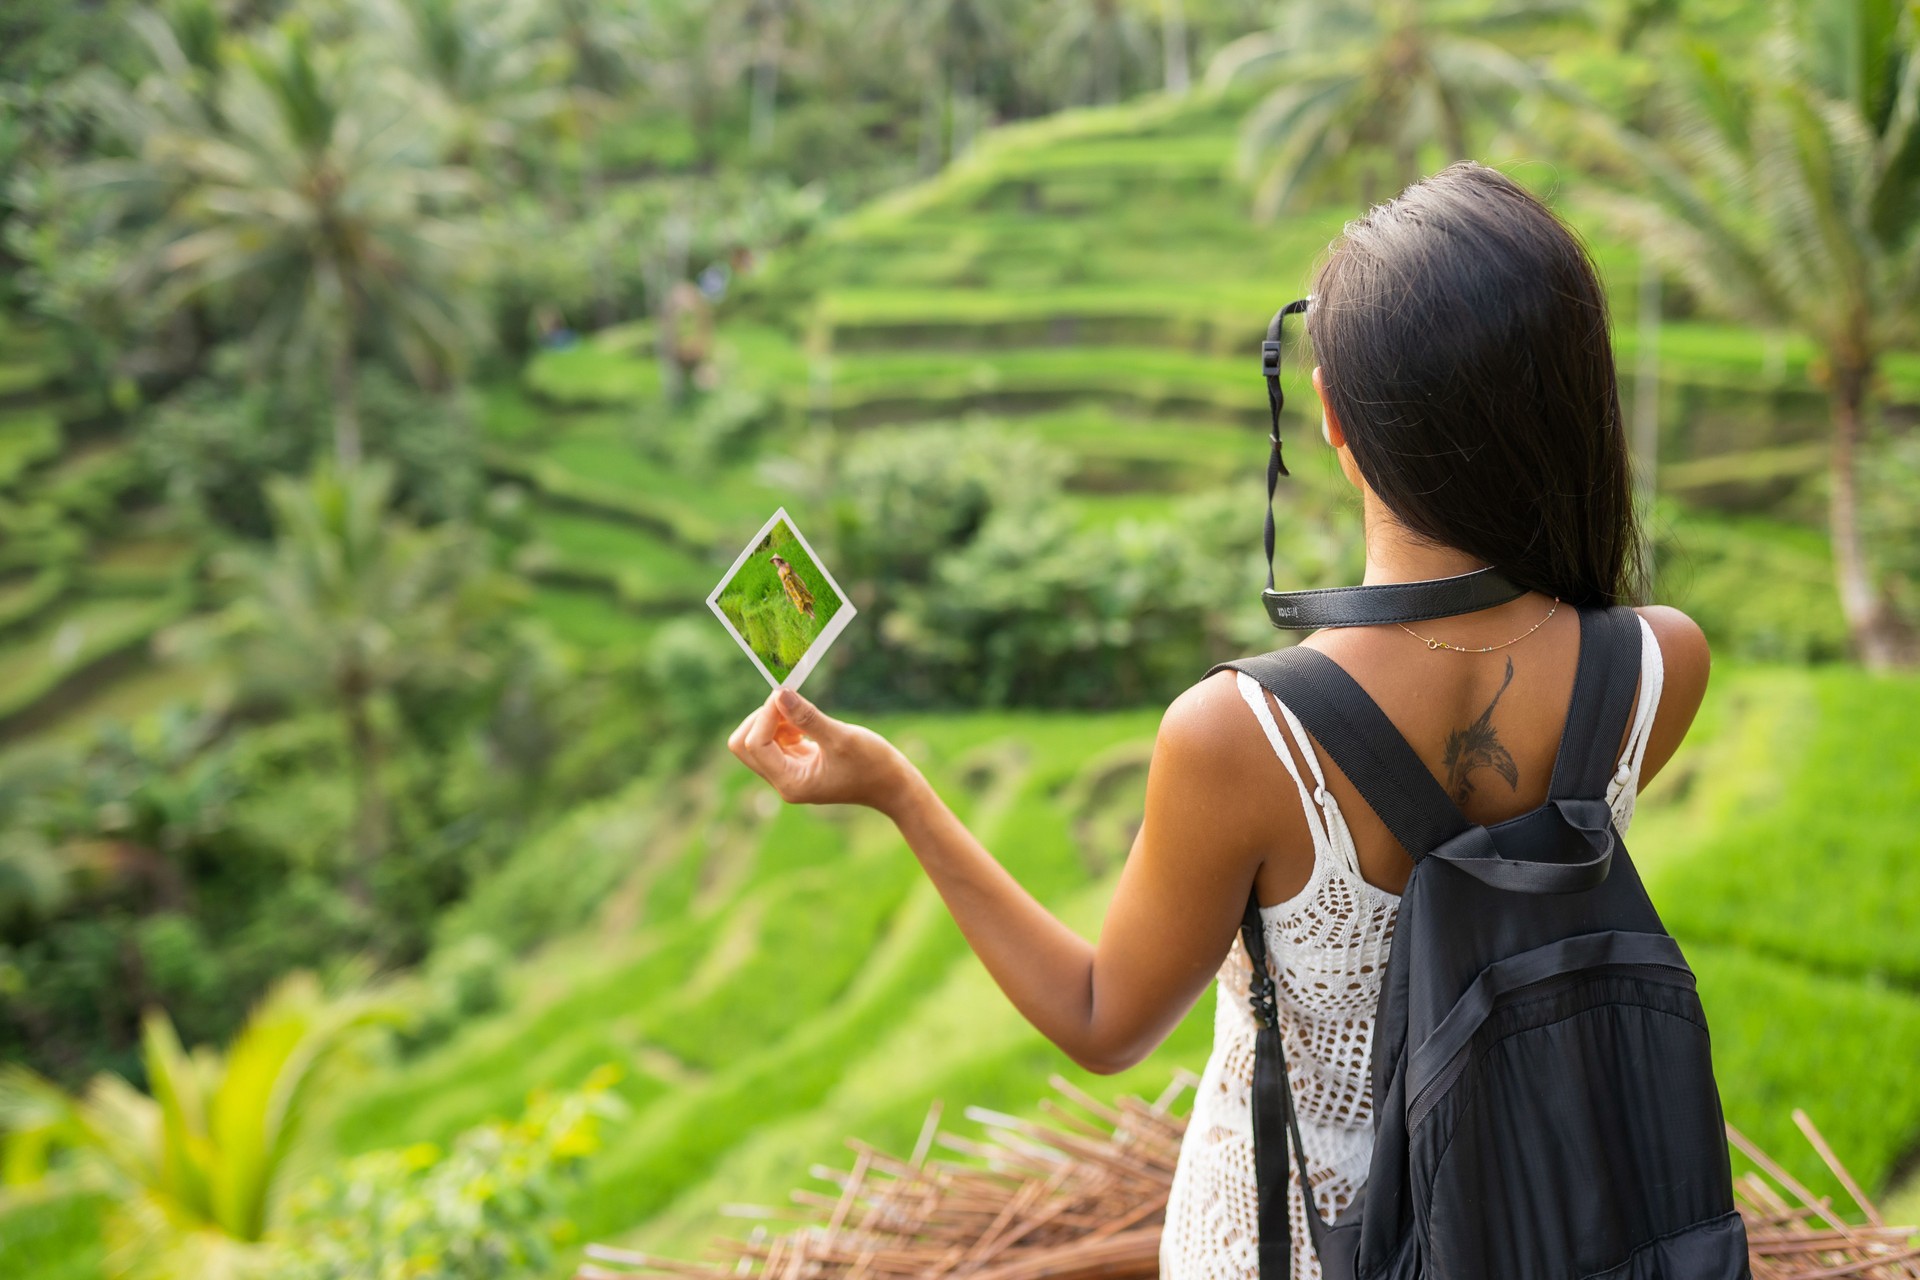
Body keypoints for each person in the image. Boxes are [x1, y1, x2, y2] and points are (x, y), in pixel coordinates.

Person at [725, 160, 1712, 1279]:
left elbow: (1105, 1019)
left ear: (1332, 414)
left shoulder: (1243, 733)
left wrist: (896, 787)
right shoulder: (1662, 663)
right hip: (1531, 1229)